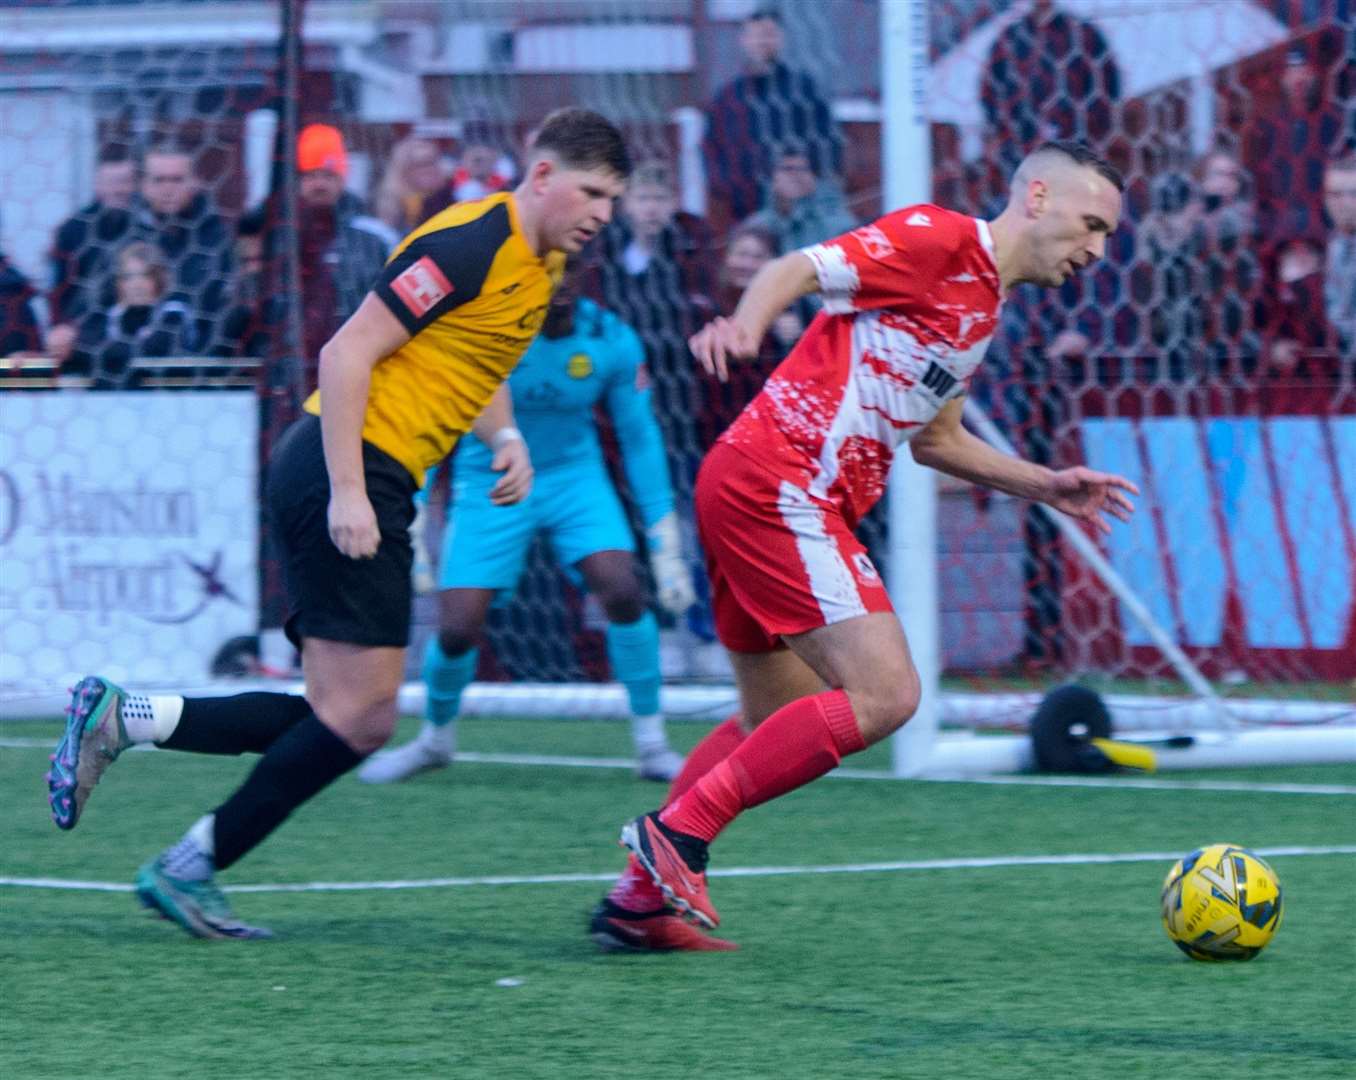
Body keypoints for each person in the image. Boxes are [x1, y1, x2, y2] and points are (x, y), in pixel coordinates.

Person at [45, 107, 631, 940]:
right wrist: (350, 493)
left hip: (359, 469)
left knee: (338, 710)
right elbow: (345, 353)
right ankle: (188, 863)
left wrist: (504, 437)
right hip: (346, 463)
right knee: (362, 716)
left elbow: (474, 360)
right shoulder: (469, 242)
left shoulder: (536, 271)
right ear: (542, 177)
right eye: (594, 192)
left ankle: (125, 722)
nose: (603, 212)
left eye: (614, 197)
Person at [589, 141, 1139, 952]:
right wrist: (745, 325)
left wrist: (1044, 483)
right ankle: (677, 837)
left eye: (1107, 237)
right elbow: (796, 266)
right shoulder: (940, 238)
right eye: (1091, 224)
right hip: (781, 485)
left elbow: (936, 439)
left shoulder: (982, 307)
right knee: (887, 695)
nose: (1095, 251)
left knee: (773, 716)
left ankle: (639, 902)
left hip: (758, 486)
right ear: (1037, 197)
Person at [358, 270, 694, 786]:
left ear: (583, 279)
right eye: (547, 274)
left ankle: (652, 745)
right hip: (487, 474)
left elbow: (639, 435)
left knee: (622, 589)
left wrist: (663, 537)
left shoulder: (610, 338)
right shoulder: (484, 332)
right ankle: (434, 740)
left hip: (573, 477)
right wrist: (415, 510)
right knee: (457, 626)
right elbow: (433, 417)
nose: (557, 286)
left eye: (568, 274)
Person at [702, 7, 843, 227]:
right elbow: (711, 149)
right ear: (743, 40)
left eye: (769, 34)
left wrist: (806, 181)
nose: (762, 41)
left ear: (781, 39)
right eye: (755, 35)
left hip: (802, 209)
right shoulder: (728, 97)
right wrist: (730, 190)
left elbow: (829, 143)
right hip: (746, 208)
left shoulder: (804, 89)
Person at [292, 123, 400, 365]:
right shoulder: (282, 236)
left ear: (342, 179)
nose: (319, 184)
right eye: (310, 176)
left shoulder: (374, 237)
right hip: (294, 368)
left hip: (357, 365)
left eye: (328, 175)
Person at [52, 241, 202, 386]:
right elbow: (84, 347)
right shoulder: (110, 317)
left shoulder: (174, 314)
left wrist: (82, 348)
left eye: (145, 275)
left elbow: (152, 352)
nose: (136, 285)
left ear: (159, 278)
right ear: (119, 283)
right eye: (128, 277)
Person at [47, 144, 137, 338]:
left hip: (132, 332)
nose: (119, 189)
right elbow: (58, 290)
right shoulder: (72, 230)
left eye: (125, 181)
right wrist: (61, 329)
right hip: (84, 335)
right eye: (112, 182)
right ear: (97, 183)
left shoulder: (143, 227)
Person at [744, 138, 857, 258]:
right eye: (787, 169)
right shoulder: (756, 225)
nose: (795, 175)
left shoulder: (837, 224)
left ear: (814, 179)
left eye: (803, 169)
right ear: (772, 179)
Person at [374, 135, 447, 234]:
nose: (429, 170)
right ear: (402, 169)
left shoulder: (449, 197)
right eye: (420, 164)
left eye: (432, 162)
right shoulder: (391, 205)